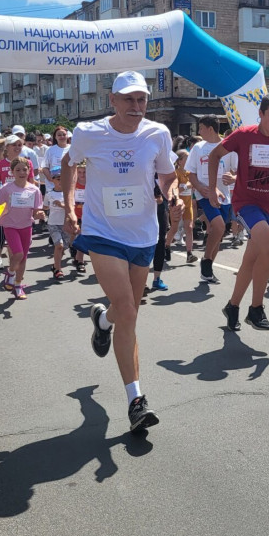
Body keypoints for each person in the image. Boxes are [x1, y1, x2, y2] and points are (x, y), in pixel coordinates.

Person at [63, 70, 175, 432]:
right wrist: (68, 207)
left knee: (125, 313)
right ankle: (136, 401)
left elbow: (165, 174)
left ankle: (101, 321)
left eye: (141, 99)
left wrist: (169, 195)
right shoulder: (88, 133)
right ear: (112, 100)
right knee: (128, 309)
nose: (136, 106)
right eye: (128, 99)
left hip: (143, 232)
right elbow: (69, 164)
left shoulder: (157, 133)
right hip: (102, 231)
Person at [208, 93, 269, 331]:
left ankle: (232, 306)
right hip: (246, 203)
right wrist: (212, 190)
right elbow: (214, 155)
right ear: (260, 114)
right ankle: (256, 309)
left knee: (251, 261)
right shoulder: (243, 135)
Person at [188, 116, 238, 285]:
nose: (199, 132)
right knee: (219, 226)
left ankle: (207, 269)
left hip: (224, 195)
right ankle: (207, 261)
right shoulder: (198, 148)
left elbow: (236, 171)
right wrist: (200, 188)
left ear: (210, 129)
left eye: (201, 128)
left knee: (218, 233)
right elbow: (191, 173)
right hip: (205, 194)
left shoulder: (227, 147)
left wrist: (233, 177)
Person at [0, 157, 45, 300]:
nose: (21, 172)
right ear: (12, 172)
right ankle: (10, 272)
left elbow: (36, 211)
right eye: (18, 170)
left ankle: (18, 285)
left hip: (26, 226)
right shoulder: (6, 188)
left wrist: (40, 213)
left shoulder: (34, 190)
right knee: (18, 254)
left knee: (23, 258)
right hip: (10, 225)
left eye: (24, 169)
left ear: (29, 171)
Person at [165, 149, 197, 264]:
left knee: (189, 227)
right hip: (177, 205)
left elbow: (194, 185)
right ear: (179, 161)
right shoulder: (176, 174)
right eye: (186, 158)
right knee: (174, 229)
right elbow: (173, 191)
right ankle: (167, 246)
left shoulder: (190, 173)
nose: (189, 161)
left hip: (188, 205)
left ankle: (189, 253)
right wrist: (186, 187)